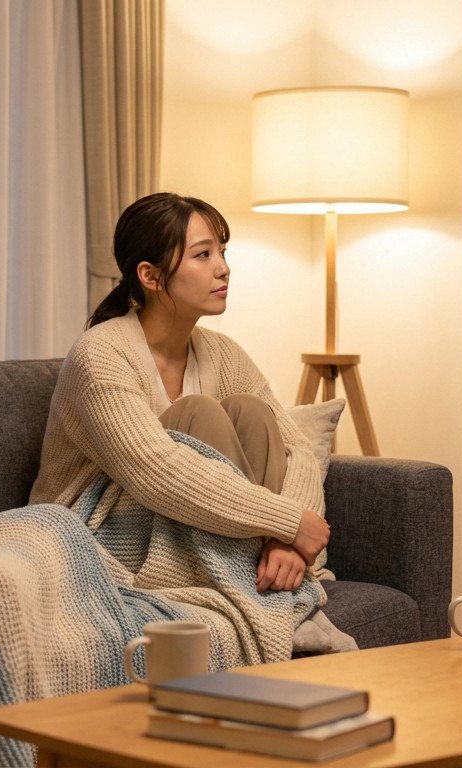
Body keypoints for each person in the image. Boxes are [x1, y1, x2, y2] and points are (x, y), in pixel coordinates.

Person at [30, 192, 331, 594]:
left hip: (199, 533)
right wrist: (288, 521)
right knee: (198, 413)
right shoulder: (100, 354)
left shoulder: (224, 354)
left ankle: (264, 572)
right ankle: (256, 585)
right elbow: (157, 470)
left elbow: (298, 450)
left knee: (251, 411)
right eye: (203, 255)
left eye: (222, 252)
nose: (224, 269)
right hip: (94, 537)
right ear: (150, 276)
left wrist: (285, 542)